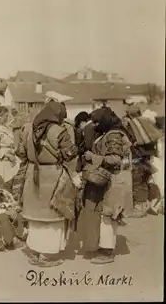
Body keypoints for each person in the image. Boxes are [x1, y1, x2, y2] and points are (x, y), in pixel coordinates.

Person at [17, 100, 79, 267]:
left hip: (32, 175)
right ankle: (46, 256)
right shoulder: (59, 131)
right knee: (52, 216)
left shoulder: (27, 128)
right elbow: (69, 155)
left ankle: (35, 252)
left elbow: (20, 152)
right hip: (53, 176)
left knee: (36, 216)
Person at [78, 107, 130, 264]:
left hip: (114, 180)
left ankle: (107, 251)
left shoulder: (113, 135)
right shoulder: (108, 133)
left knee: (108, 215)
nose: (94, 125)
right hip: (108, 180)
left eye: (97, 122)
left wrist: (93, 157)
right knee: (104, 214)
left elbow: (115, 159)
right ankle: (103, 247)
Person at [122, 105, 162, 218]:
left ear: (129, 114)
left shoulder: (131, 124)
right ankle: (148, 205)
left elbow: (131, 141)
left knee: (137, 183)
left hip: (138, 159)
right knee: (146, 182)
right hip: (149, 158)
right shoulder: (147, 122)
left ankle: (139, 209)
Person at [0, 106, 20, 185]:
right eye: (6, 116)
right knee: (3, 183)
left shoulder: (4, 127)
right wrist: (7, 156)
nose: (7, 118)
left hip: (9, 159)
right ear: (0, 116)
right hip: (2, 162)